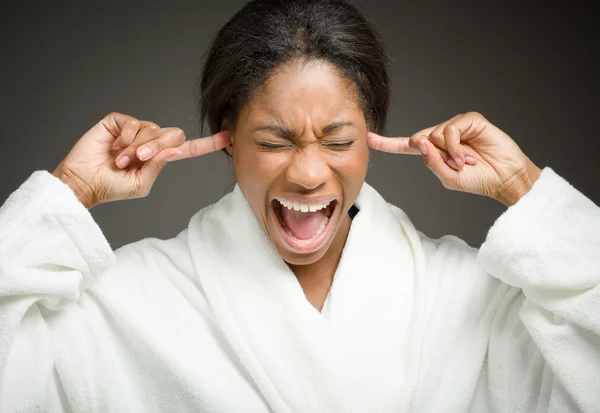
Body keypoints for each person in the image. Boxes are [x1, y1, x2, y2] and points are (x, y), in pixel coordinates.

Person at [1, 0, 598, 411]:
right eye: (273, 141)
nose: (310, 173)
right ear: (227, 138)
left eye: (338, 141)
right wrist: (70, 189)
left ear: (372, 137)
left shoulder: (469, 297)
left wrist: (523, 184)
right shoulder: (129, 301)